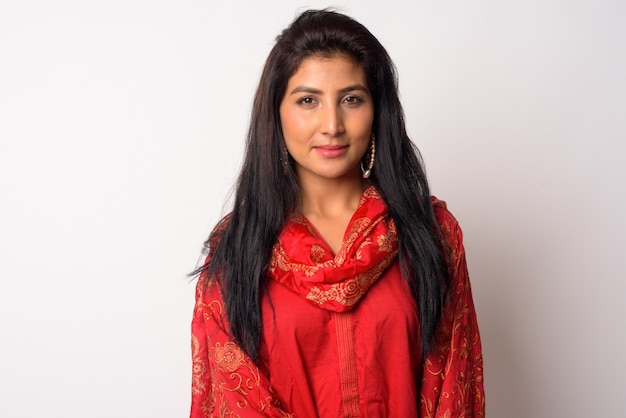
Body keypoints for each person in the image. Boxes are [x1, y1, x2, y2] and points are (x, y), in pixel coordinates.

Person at [190, 9, 484, 418]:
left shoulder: (430, 234)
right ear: (276, 113)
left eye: (351, 99)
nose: (332, 124)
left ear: (377, 110)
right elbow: (234, 401)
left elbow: (455, 389)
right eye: (308, 100)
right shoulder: (238, 247)